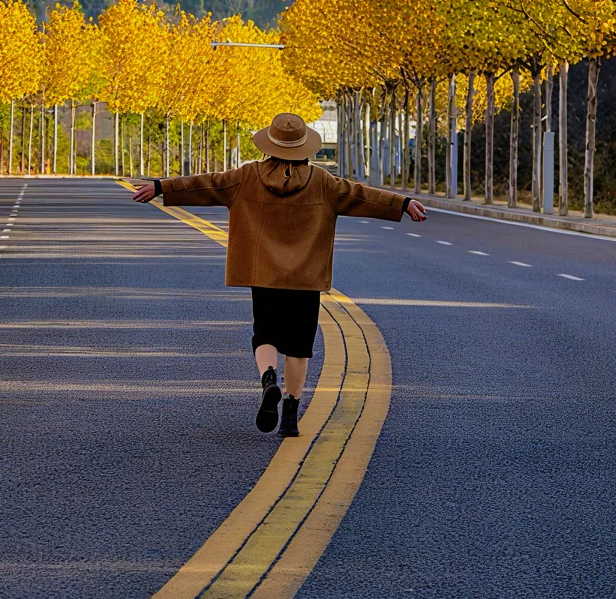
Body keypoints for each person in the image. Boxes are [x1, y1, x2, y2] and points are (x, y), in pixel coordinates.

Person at [132, 111, 427, 438]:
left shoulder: (246, 176)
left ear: (269, 144)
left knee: (265, 335)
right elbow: (361, 196)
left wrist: (161, 186)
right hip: (306, 278)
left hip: (265, 275)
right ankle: (290, 412)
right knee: (299, 346)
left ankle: (268, 377)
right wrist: (402, 203)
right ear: (305, 147)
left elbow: (206, 184)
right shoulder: (323, 183)